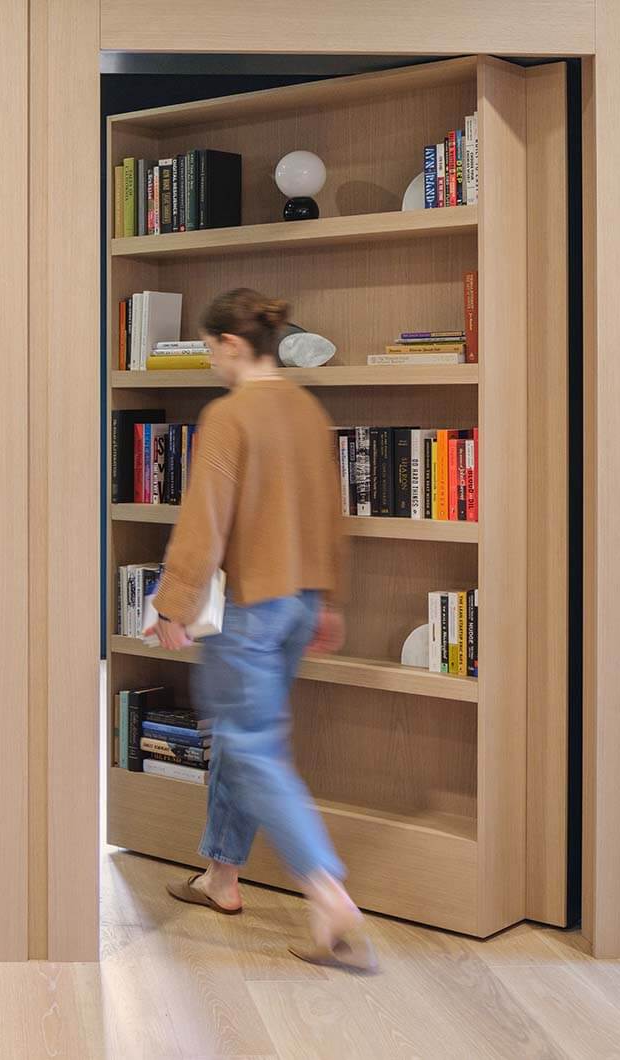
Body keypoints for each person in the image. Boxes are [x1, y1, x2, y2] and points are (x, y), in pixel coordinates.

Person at [147, 288, 378, 972]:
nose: (210, 362)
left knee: (250, 744)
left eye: (210, 350)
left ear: (228, 346)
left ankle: (325, 891)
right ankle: (220, 877)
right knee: (240, 741)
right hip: (301, 602)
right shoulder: (308, 410)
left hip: (250, 607)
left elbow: (205, 519)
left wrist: (172, 606)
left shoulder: (228, 415)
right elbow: (330, 516)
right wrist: (328, 600)